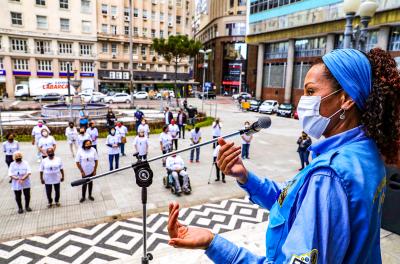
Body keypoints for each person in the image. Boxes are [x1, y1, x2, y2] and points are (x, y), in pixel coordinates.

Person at [166, 48, 400, 263]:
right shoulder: (367, 154)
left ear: (346, 98)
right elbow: (293, 203)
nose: (303, 102)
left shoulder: (329, 176)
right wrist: (246, 177)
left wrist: (213, 243)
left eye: (311, 91)